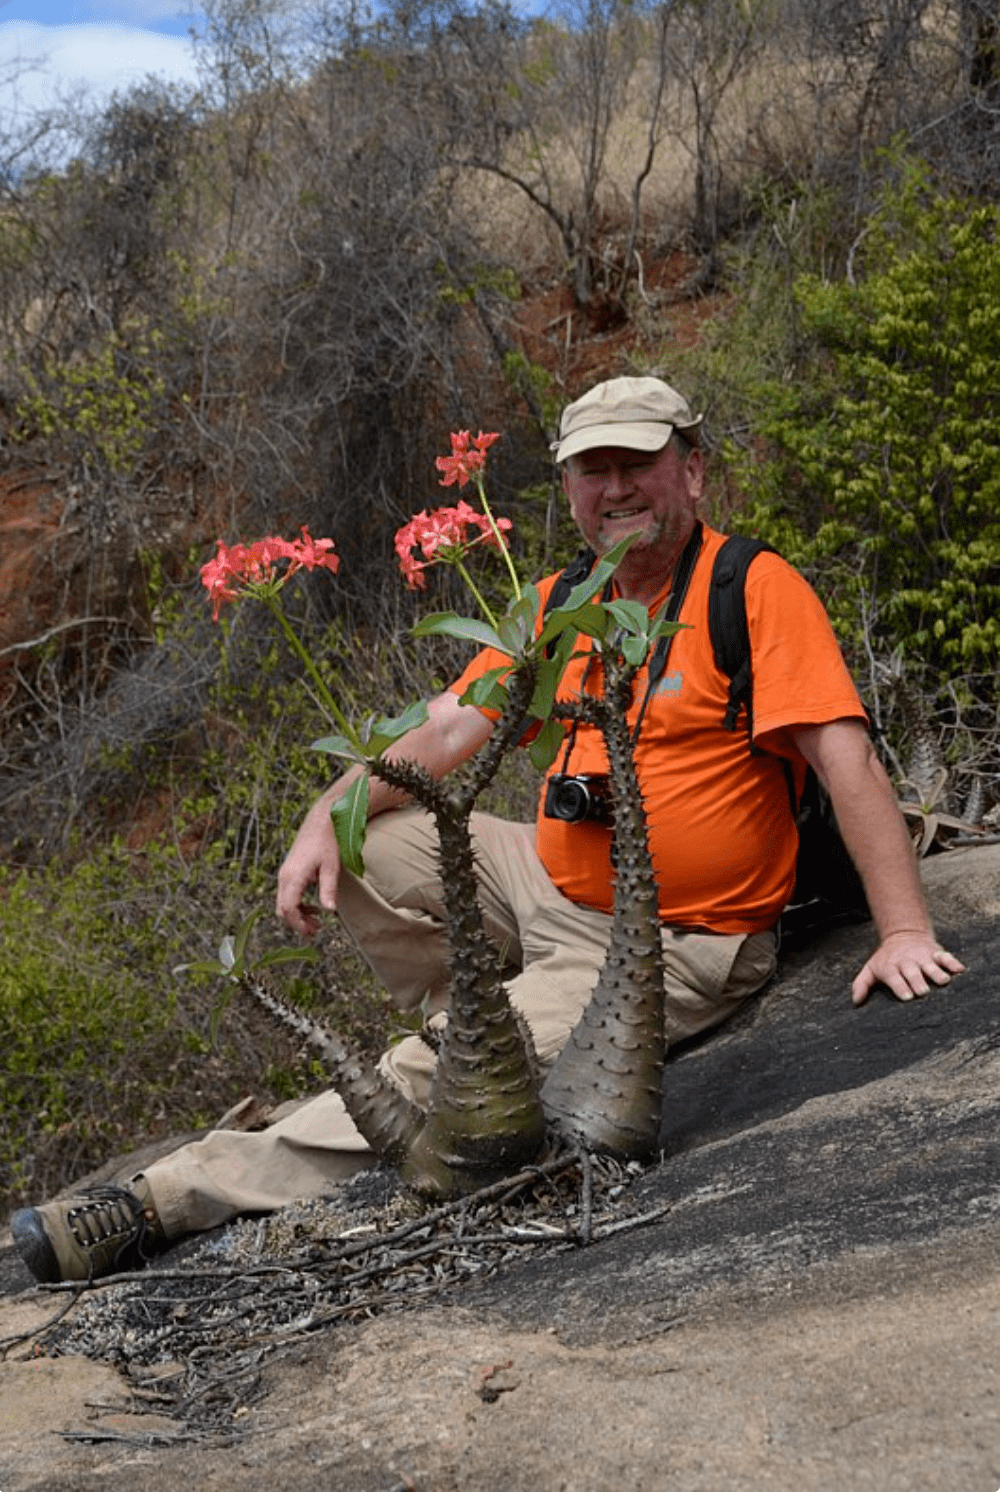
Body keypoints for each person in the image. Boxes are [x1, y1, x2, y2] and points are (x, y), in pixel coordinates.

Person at [11, 375, 965, 1285]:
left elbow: (847, 760)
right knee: (366, 838)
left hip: (669, 941)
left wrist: (906, 932)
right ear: (569, 488)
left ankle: (173, 1195)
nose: (618, 488)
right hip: (551, 886)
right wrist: (321, 814)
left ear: (694, 471)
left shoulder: (748, 588)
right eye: (595, 470)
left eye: (640, 463)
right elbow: (448, 733)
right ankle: (471, 1028)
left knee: (432, 1075)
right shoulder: (556, 604)